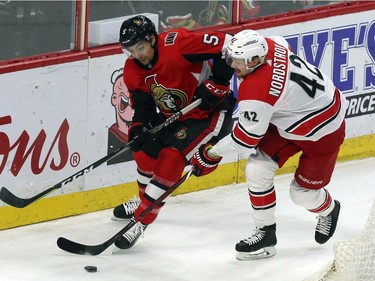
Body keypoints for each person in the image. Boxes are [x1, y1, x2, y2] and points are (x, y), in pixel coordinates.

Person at [193, 29, 347, 260]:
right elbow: (284, 48)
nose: (232, 65)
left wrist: (210, 153)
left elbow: (244, 140)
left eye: (237, 61)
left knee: (301, 194)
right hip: (292, 118)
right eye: (231, 58)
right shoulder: (270, 45)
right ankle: (266, 233)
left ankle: (329, 209)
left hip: (324, 131)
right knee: (257, 168)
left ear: (255, 60)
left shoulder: (257, 89)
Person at [112, 15, 236, 251]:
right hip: (176, 116)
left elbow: (229, 43)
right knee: (143, 152)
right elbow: (144, 105)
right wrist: (138, 127)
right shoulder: (132, 68)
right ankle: (144, 200)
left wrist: (219, 82)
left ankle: (141, 219)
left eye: (140, 47)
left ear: (151, 39)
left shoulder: (178, 43)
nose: (137, 55)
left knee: (171, 157)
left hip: (210, 114)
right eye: (131, 50)